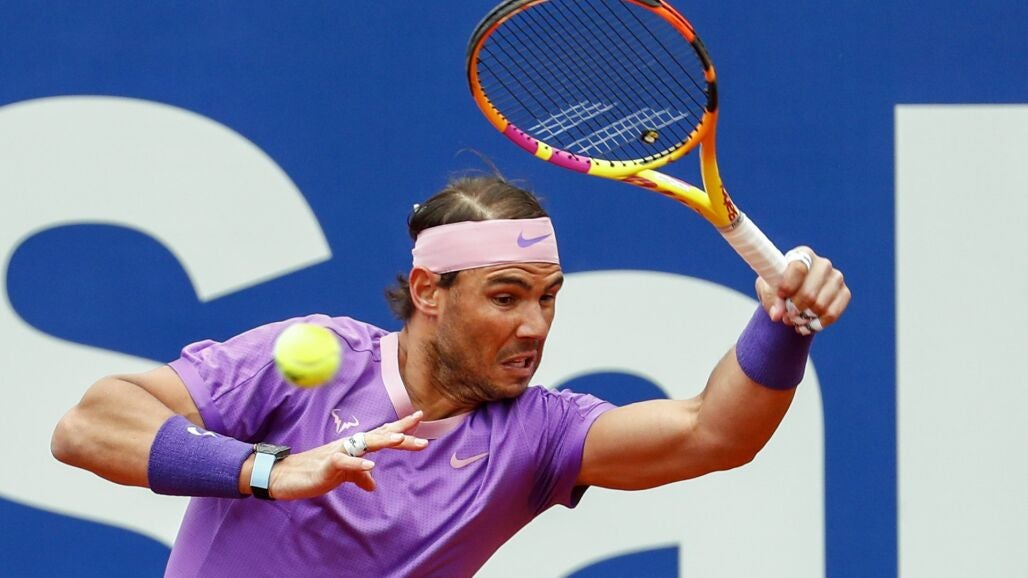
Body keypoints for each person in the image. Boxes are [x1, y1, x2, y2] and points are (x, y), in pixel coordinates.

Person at [52, 175, 850, 577]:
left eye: (547, 297)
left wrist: (783, 326)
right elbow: (87, 425)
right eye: (506, 296)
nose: (534, 325)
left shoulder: (539, 435)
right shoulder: (310, 359)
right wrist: (270, 470)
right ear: (429, 291)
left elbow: (714, 433)